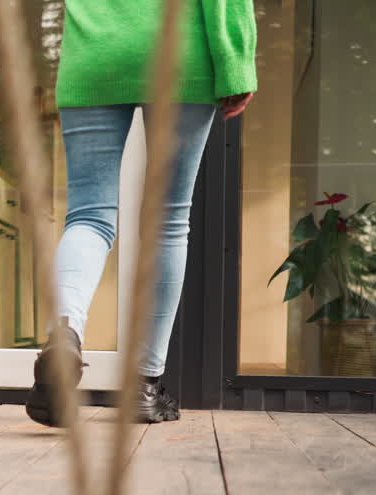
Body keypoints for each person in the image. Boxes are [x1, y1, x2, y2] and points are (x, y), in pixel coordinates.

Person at [25, 0, 257, 426]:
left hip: (94, 52)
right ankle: (144, 385)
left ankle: (64, 333)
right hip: (180, 53)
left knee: (88, 216)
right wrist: (236, 62)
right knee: (167, 220)